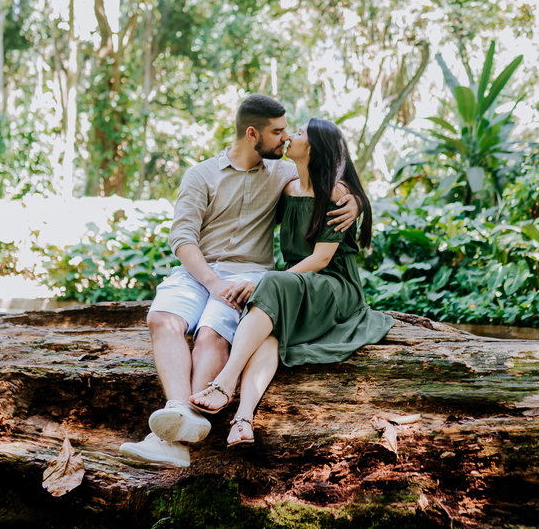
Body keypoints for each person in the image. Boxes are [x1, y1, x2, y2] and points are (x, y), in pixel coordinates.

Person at [119, 96, 359, 467]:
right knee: (161, 319)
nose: (284, 138)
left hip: (250, 273)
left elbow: (328, 177)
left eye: (288, 132)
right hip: (198, 271)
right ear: (252, 134)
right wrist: (211, 281)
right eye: (278, 132)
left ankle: (171, 438)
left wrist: (356, 201)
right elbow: (182, 239)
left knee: (211, 333)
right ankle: (182, 416)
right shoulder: (201, 175)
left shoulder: (284, 174)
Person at [187, 117, 394, 447]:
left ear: (311, 149)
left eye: (297, 134)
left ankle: (224, 382)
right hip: (295, 286)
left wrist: (357, 200)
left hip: (332, 286)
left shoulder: (336, 193)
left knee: (270, 285)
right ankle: (243, 419)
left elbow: (321, 260)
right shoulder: (288, 188)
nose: (288, 138)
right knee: (269, 336)